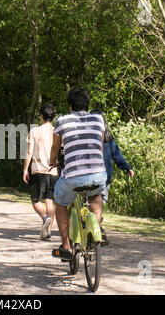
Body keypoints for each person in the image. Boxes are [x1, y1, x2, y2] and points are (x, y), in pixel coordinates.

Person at [49, 88, 107, 260]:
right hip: (98, 173)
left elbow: (55, 147)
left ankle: (66, 247)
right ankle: (94, 233)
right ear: (88, 104)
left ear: (70, 106)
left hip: (73, 175)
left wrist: (52, 161)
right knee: (95, 198)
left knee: (59, 202)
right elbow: (100, 144)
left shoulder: (62, 121)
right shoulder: (98, 119)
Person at [23, 104, 58, 240]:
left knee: (35, 200)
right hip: (54, 171)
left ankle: (44, 218)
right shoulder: (56, 132)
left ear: (41, 116)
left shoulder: (35, 131)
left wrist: (25, 169)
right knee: (50, 201)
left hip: (39, 170)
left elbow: (29, 152)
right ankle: (47, 232)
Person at [90, 109, 134, 204]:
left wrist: (127, 167)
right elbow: (117, 154)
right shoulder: (108, 137)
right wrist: (127, 168)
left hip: (91, 174)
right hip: (105, 175)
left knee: (91, 203)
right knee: (99, 204)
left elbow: (116, 154)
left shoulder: (90, 137)